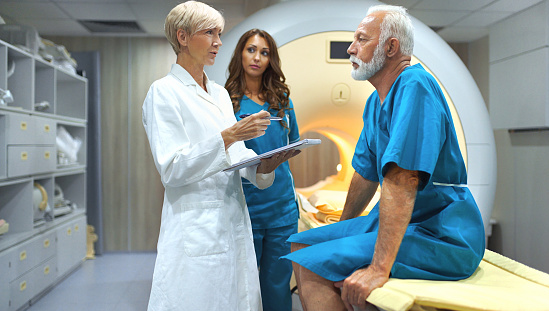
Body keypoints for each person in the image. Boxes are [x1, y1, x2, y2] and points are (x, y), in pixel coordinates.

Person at [283, 5, 485, 311]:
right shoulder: (374, 103)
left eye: (361, 39)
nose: (351, 48)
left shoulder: (415, 86)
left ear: (391, 47)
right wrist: (341, 231)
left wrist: (378, 268)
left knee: (311, 264)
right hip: (409, 224)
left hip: (440, 231)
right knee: (301, 243)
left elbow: (403, 178)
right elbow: (365, 174)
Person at [141, 2, 299, 310]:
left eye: (220, 33)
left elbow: (236, 155)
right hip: (196, 226)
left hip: (232, 220)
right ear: (182, 37)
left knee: (241, 299)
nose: (218, 42)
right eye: (210, 33)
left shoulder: (219, 94)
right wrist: (229, 135)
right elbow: (172, 169)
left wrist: (263, 167)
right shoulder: (163, 92)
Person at [225, 29, 300, 311]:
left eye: (264, 52)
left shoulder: (281, 99)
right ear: (240, 54)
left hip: (282, 207)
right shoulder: (226, 100)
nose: (257, 57)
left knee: (278, 283)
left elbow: (294, 144)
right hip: (246, 206)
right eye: (251, 49)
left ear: (271, 59)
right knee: (244, 286)